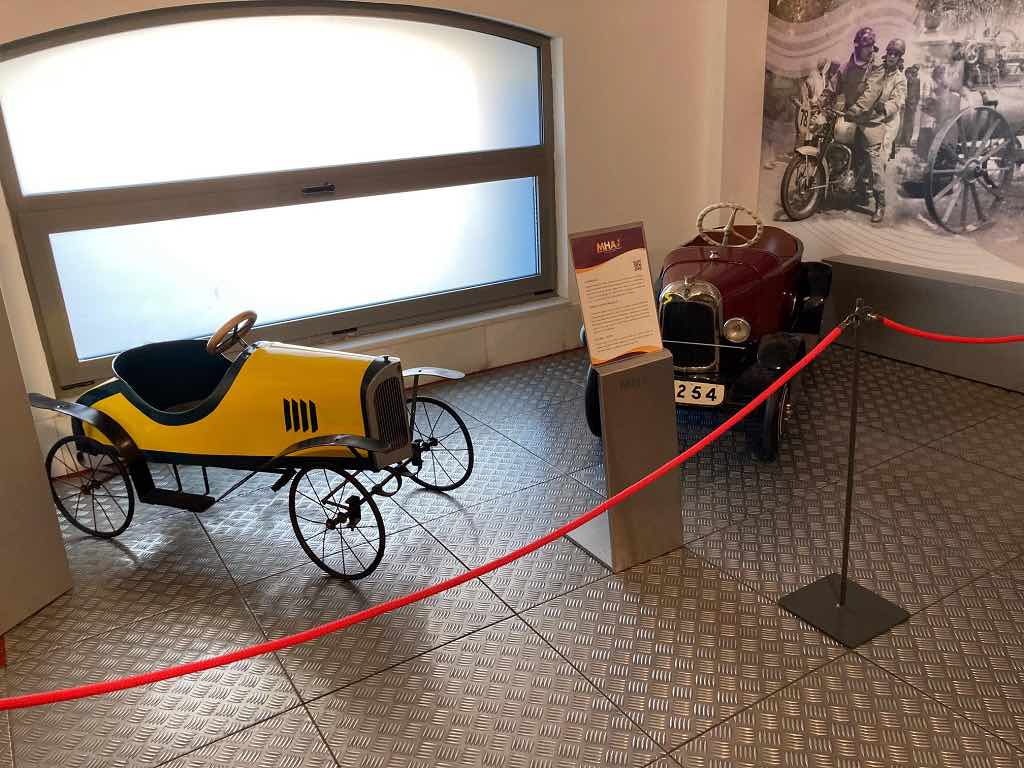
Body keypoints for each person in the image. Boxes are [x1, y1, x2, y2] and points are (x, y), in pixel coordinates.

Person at [841, 33, 907, 224]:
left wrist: (885, 107)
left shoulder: (900, 79)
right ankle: (860, 193)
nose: (892, 56)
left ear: (900, 57)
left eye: (896, 54)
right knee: (857, 157)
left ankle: (880, 204)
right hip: (862, 118)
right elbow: (861, 84)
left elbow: (898, 101)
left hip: (881, 122)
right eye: (890, 52)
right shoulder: (875, 67)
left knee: (876, 165)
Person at [899, 64, 921, 148]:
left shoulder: (917, 80)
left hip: (913, 103)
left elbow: (918, 92)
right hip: (908, 103)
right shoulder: (909, 78)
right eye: (914, 69)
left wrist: (917, 102)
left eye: (917, 70)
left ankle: (906, 141)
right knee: (906, 122)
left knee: (910, 122)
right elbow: (907, 73)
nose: (915, 71)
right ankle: (904, 141)